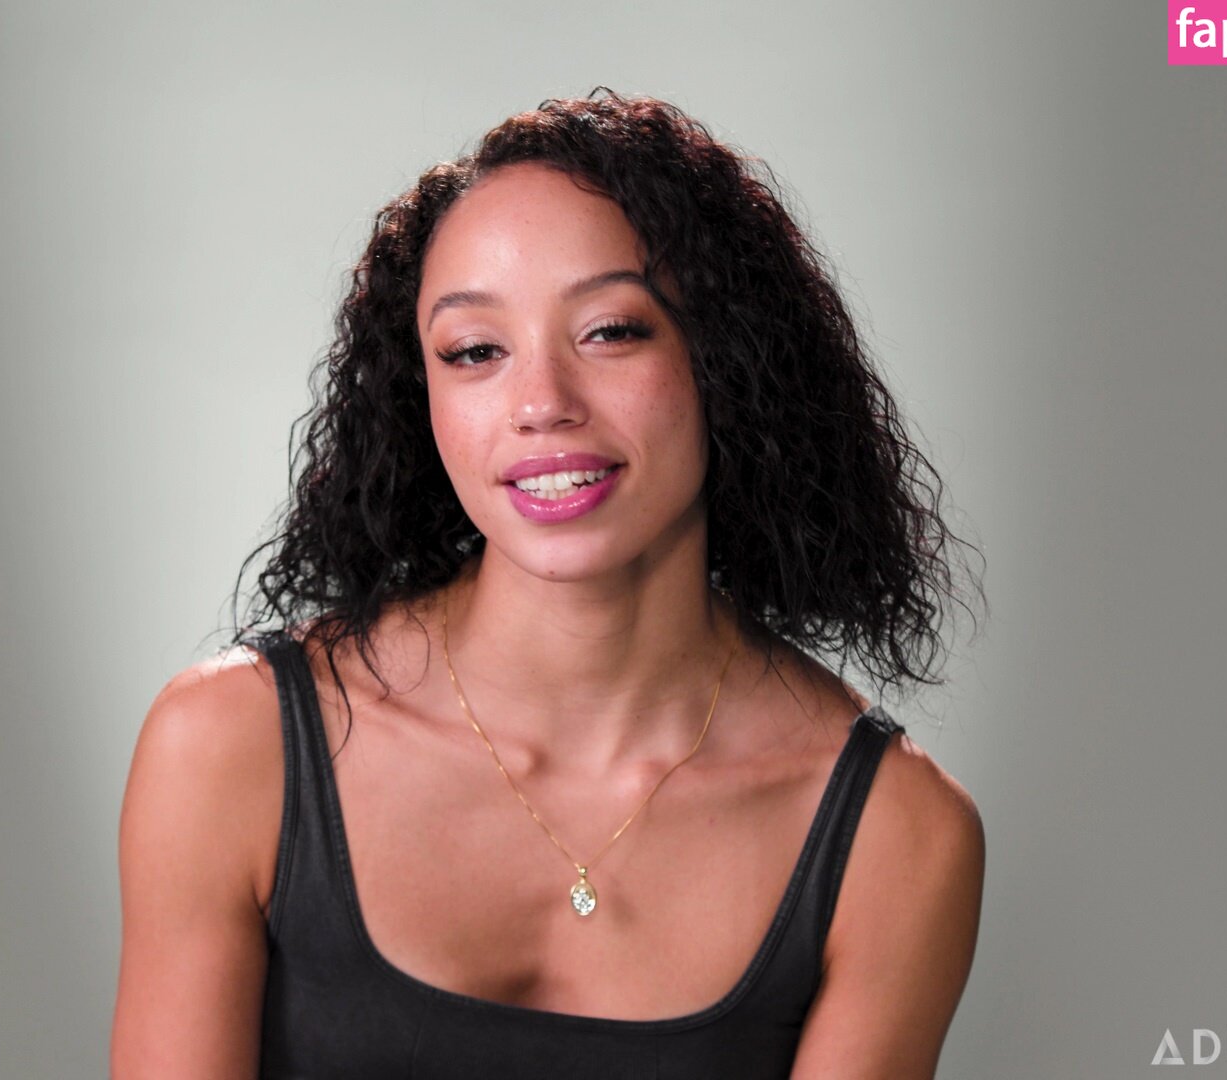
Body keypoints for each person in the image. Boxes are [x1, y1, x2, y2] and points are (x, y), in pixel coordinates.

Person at [113, 89, 987, 1079]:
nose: (541, 404)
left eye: (611, 331)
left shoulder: (896, 836)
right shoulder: (229, 748)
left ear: (729, 359)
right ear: (420, 396)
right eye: (475, 351)